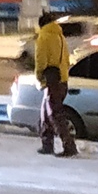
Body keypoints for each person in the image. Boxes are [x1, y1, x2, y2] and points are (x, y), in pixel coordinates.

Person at [30, 9, 78, 157]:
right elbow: (66, 60)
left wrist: (39, 77)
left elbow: (41, 60)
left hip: (52, 81)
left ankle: (69, 146)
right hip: (61, 80)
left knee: (55, 115)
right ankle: (47, 145)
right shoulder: (60, 36)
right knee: (46, 113)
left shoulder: (44, 36)